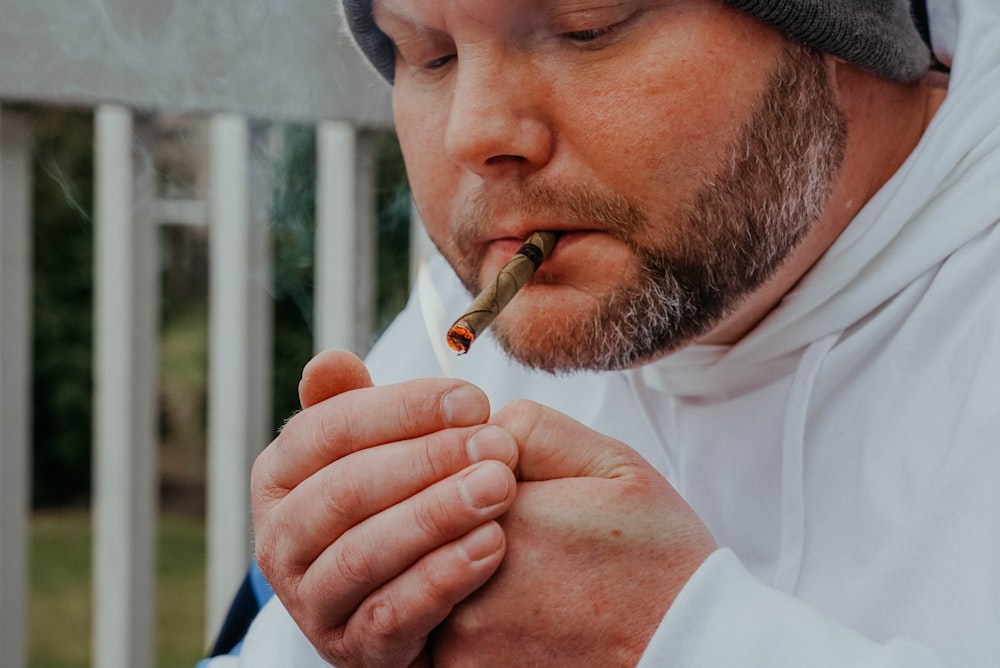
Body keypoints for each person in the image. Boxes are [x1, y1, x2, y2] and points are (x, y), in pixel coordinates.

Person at [202, 0, 1000, 665]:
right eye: (430, 54)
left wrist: (675, 641)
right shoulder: (484, 306)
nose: (474, 136)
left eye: (587, 26)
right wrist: (331, 626)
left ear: (840, 33)